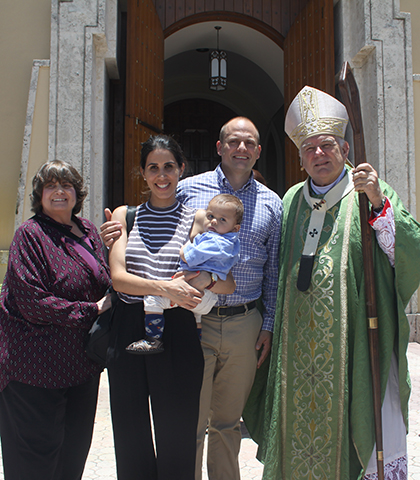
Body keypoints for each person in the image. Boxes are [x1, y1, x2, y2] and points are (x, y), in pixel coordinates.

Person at [243, 86, 420, 479]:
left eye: (326, 146)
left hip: (352, 339)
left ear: (343, 148)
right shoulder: (290, 200)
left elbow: (406, 249)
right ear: (300, 157)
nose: (318, 155)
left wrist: (378, 204)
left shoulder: (367, 192)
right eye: (309, 149)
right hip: (293, 346)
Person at [100, 117, 283, 480]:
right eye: (233, 141)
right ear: (219, 147)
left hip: (243, 323)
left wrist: (268, 324)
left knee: (229, 423)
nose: (241, 149)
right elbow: (157, 219)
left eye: (250, 143)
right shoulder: (188, 189)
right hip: (190, 320)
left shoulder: (273, 204)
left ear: (259, 151)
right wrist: (113, 232)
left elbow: (274, 270)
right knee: (187, 423)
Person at [106, 134, 235, 479]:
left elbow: (226, 281)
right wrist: (166, 287)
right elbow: (118, 278)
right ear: (143, 174)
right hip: (129, 326)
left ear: (181, 169)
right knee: (130, 428)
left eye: (168, 167)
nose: (161, 175)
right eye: (153, 168)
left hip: (178, 329)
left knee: (177, 433)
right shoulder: (125, 215)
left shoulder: (199, 219)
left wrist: (201, 281)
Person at [0, 160, 112, 480]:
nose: (59, 192)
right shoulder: (30, 234)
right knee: (33, 463)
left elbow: (104, 281)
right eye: (51, 186)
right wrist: (92, 310)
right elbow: (33, 303)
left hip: (79, 366)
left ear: (78, 193)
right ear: (39, 194)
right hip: (33, 369)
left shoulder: (88, 230)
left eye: (66, 185)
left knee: (71, 457)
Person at [126, 193, 243, 354]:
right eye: (210, 216)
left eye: (223, 219)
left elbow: (190, 257)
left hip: (196, 289)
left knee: (153, 299)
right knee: (195, 316)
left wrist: (185, 247)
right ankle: (195, 339)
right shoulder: (231, 242)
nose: (214, 221)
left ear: (235, 227)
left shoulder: (215, 241)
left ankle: (153, 339)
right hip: (206, 295)